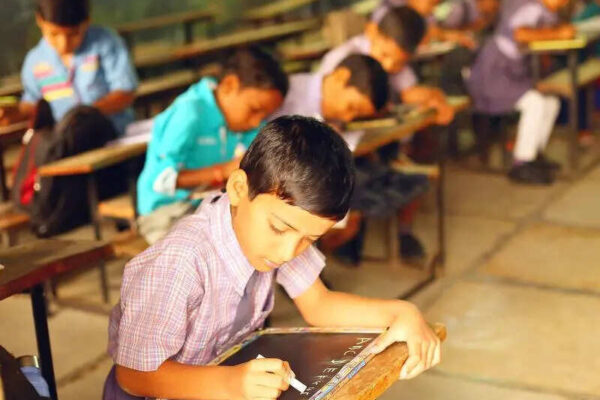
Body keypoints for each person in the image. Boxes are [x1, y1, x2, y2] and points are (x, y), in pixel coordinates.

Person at [103, 115, 441, 400]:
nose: (288, 252)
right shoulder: (179, 261)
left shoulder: (278, 226)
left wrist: (403, 312)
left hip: (222, 379)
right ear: (238, 188)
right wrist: (231, 384)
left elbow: (319, 304)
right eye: (279, 229)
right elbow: (133, 375)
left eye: (310, 239)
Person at [272, 54, 429, 265]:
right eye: (352, 107)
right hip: (287, 185)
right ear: (340, 76)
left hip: (320, 178)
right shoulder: (288, 96)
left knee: (394, 186)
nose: (348, 117)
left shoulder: (334, 110)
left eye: (356, 114)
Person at [136, 47, 287, 244]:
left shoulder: (247, 124)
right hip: (165, 213)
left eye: (264, 115)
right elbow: (160, 180)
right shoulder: (189, 113)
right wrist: (223, 171)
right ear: (229, 85)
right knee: (217, 248)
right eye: (254, 110)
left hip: (209, 208)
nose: (256, 122)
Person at [467, 0, 574, 184]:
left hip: (513, 74)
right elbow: (520, 34)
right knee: (536, 103)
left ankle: (534, 154)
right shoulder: (530, 5)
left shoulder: (548, 11)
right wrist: (557, 34)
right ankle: (521, 163)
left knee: (551, 102)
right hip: (493, 75)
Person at [0, 0, 138, 135]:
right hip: (63, 138)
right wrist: (14, 113)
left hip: (113, 132)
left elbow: (125, 92)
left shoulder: (105, 42)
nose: (63, 44)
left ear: (87, 22)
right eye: (54, 34)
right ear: (40, 21)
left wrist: (82, 116)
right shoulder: (35, 60)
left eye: (73, 34)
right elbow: (32, 103)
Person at [318, 5, 454, 124]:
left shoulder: (395, 61)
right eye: (384, 54)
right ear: (372, 31)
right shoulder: (339, 59)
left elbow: (409, 92)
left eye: (399, 63)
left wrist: (434, 96)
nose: (388, 66)